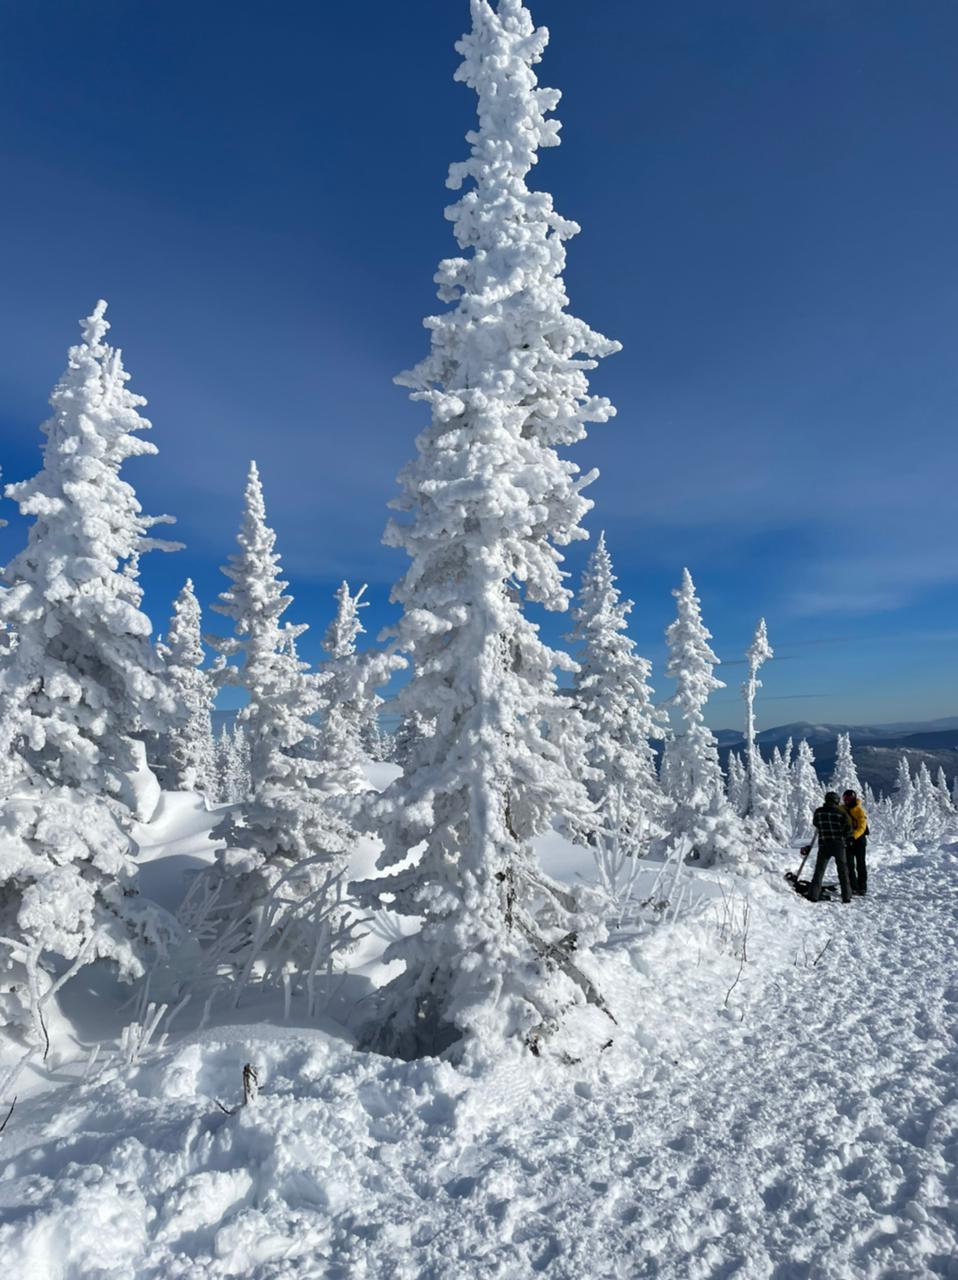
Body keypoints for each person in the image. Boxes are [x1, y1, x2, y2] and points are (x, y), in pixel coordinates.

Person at [806, 791, 853, 903]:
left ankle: (813, 895)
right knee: (843, 871)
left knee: (819, 870)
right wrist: (848, 839)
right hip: (839, 845)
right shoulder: (841, 813)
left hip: (824, 844)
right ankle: (846, 896)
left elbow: (816, 823)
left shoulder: (818, 812)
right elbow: (848, 828)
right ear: (836, 801)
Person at [842, 789, 868, 895]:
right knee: (849, 865)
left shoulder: (859, 810)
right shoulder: (842, 809)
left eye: (849, 799)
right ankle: (853, 886)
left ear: (853, 799)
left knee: (860, 864)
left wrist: (854, 836)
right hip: (848, 841)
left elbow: (862, 826)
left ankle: (862, 887)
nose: (847, 801)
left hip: (859, 841)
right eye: (845, 799)